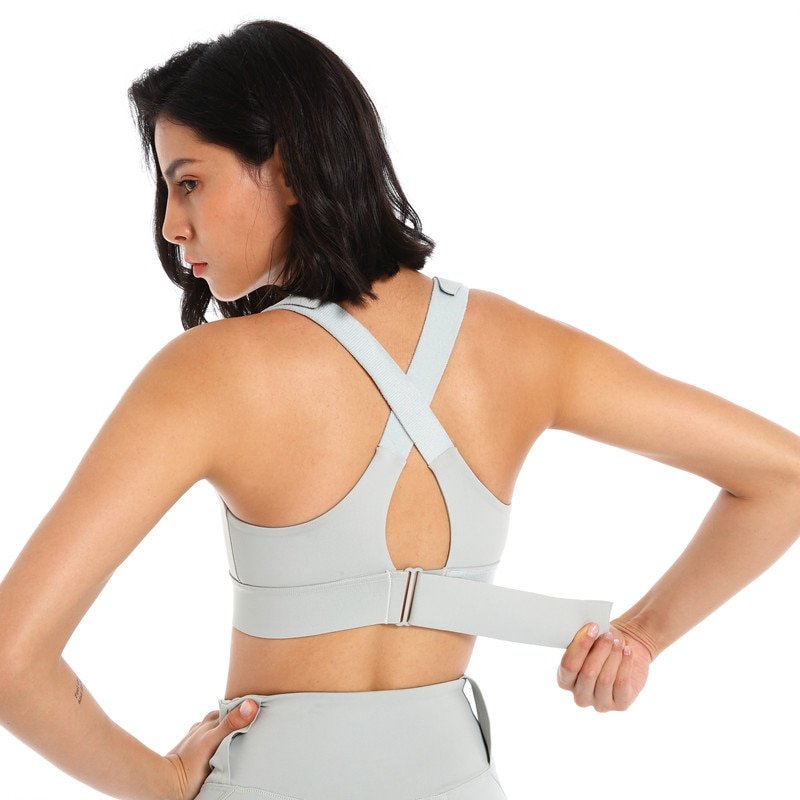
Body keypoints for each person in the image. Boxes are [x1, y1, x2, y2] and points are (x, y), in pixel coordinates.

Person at [0, 16, 799, 800]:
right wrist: (642, 637)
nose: (173, 226)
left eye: (189, 183)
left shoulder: (210, 374)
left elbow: (11, 660)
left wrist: (166, 785)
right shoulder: (517, 348)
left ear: (287, 170)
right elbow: (783, 477)